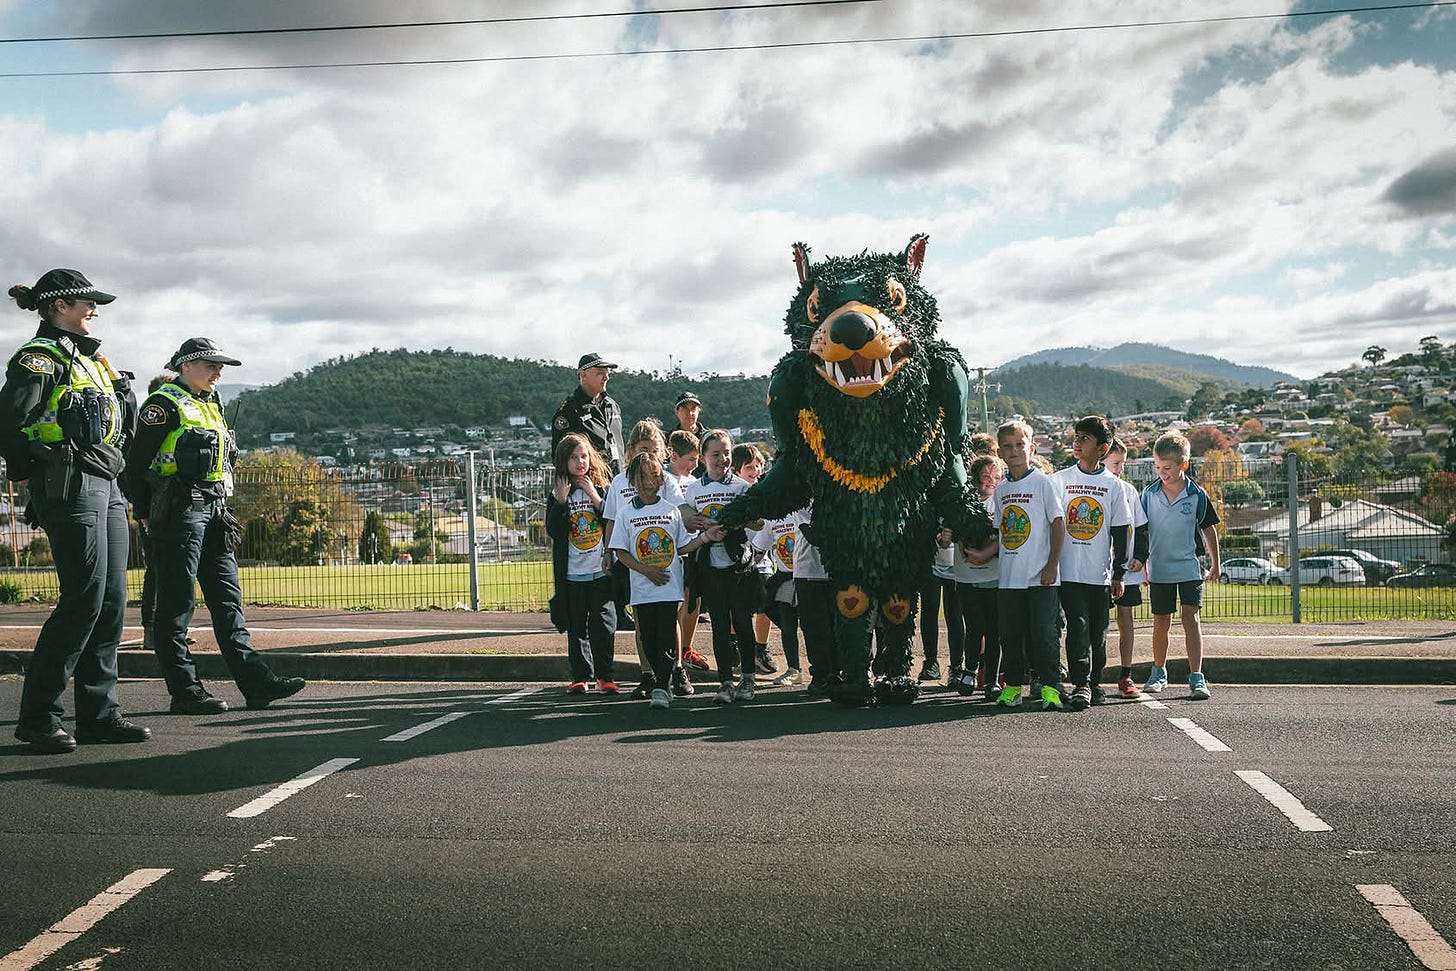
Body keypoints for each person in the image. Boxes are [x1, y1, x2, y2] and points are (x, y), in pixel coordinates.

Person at [2, 268, 150, 752]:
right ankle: (38, 717)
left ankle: (99, 715)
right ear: (59, 307)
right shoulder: (39, 358)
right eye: (87, 303)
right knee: (83, 600)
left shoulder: (89, 360)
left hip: (106, 483)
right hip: (71, 484)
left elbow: (119, 422)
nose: (94, 310)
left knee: (111, 601)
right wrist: (33, 471)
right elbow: (9, 422)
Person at [123, 338, 306, 713]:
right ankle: (185, 691)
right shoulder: (162, 405)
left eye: (220, 367)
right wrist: (144, 512)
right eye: (211, 365)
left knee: (227, 602)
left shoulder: (212, 403)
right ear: (186, 365)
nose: (218, 373)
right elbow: (133, 465)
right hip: (178, 513)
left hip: (216, 511)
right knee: (176, 605)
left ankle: (256, 684)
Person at [608, 451, 720, 710]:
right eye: (642, 477)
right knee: (648, 637)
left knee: (666, 635)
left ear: (661, 480)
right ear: (632, 480)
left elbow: (682, 547)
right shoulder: (626, 513)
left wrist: (705, 538)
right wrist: (645, 570)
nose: (648, 482)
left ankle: (662, 685)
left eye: (654, 476)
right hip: (642, 589)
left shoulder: (671, 512)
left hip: (669, 588)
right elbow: (621, 552)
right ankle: (660, 680)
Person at [602, 419, 691, 697]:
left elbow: (681, 512)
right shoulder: (620, 482)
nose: (648, 455)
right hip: (634, 560)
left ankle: (676, 668)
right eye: (643, 449)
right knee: (642, 621)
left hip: (664, 562)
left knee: (669, 618)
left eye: (654, 450)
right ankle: (648, 673)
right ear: (631, 450)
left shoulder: (664, 480)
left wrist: (702, 526)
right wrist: (608, 552)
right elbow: (612, 519)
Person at [980, 420, 1065, 711]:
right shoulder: (1001, 491)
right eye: (1008, 446)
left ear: (1031, 448)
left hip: (1041, 578)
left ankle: (1051, 688)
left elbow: (1058, 524)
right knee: (1011, 636)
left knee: (1044, 635)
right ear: (1000, 453)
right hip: (1009, 579)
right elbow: (1003, 534)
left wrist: (1052, 565)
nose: (1014, 450)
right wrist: (983, 554)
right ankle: (1013, 687)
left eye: (1020, 444)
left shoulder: (1043, 483)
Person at [1131, 431, 1219, 700]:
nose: (1162, 473)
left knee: (1190, 618)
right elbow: (1142, 531)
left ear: (1184, 465)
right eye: (1157, 467)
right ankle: (1159, 672)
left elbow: (1208, 529)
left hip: (1188, 567)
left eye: (1167, 468)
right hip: (1159, 569)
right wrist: (1142, 563)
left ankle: (1197, 676)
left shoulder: (1197, 494)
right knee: (1161, 621)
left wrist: (1215, 563)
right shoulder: (1148, 495)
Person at [1052, 416, 1132, 710]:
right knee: (1078, 627)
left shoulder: (1114, 486)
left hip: (1099, 575)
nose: (1077, 442)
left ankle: (1095, 682)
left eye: (1085, 438)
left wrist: (1119, 573)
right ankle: (1081, 684)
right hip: (1068, 572)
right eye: (1076, 437)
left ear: (1103, 448)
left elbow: (1121, 533)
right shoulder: (1060, 480)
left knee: (1098, 633)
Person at [681, 429, 760, 704]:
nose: (722, 459)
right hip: (709, 567)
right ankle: (725, 681)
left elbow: (759, 523)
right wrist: (698, 522)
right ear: (703, 457)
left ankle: (748, 677)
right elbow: (685, 521)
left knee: (742, 622)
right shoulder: (694, 489)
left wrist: (738, 520)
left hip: (738, 564)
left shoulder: (741, 487)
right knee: (719, 625)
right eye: (715, 454)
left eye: (726, 453)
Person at [545, 432, 617, 694]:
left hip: (600, 570)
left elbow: (612, 520)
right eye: (574, 457)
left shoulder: (601, 488)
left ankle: (605, 676)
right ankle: (580, 676)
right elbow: (554, 530)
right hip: (573, 574)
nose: (580, 462)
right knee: (577, 627)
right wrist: (561, 502)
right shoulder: (558, 494)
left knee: (603, 625)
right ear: (564, 461)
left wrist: (594, 496)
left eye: (584, 456)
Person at [956, 454, 1004, 699]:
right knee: (974, 627)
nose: (991, 481)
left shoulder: (1002, 502)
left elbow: (1007, 535)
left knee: (995, 631)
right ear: (974, 478)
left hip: (994, 576)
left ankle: (992, 679)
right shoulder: (962, 502)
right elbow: (948, 530)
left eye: (997, 476)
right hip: (966, 577)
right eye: (986, 476)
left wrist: (988, 552)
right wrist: (945, 536)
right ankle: (969, 671)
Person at [1105, 439, 1148, 697]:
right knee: (1097, 623)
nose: (1120, 468)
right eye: (1116, 463)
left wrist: (1140, 557)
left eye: (1122, 463)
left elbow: (1141, 528)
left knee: (1125, 619)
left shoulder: (1129, 491)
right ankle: (1089, 676)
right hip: (1098, 570)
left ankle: (1126, 674)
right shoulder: (1094, 488)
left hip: (1126, 572)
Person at [732, 443, 779, 677]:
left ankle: (761, 649)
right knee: (738, 609)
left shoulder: (764, 492)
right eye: (749, 467)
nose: (755, 471)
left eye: (758, 466)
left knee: (765, 606)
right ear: (736, 469)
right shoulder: (734, 493)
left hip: (762, 560)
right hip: (738, 561)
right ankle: (736, 648)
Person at [551, 352, 625, 474]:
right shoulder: (569, 411)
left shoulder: (612, 406)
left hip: (618, 480)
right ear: (583, 375)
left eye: (607, 373)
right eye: (600, 373)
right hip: (592, 482)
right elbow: (559, 456)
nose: (606, 378)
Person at [918, 525, 961, 685]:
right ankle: (930, 662)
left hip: (957, 564)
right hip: (930, 563)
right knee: (929, 607)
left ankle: (956, 666)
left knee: (955, 615)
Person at [672, 391, 708, 477]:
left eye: (693, 409)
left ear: (699, 410)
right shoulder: (669, 439)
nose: (690, 413)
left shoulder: (708, 438)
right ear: (676, 411)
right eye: (685, 409)